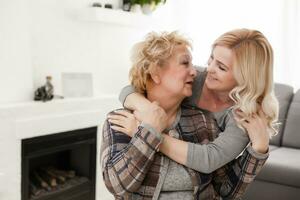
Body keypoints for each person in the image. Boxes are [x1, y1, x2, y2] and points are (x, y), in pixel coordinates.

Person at [101, 31, 269, 199]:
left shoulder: (207, 121)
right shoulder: (122, 121)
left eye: (222, 67)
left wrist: (258, 150)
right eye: (185, 63)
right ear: (154, 72)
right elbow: (117, 186)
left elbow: (224, 187)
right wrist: (149, 122)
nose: (198, 71)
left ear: (243, 77)